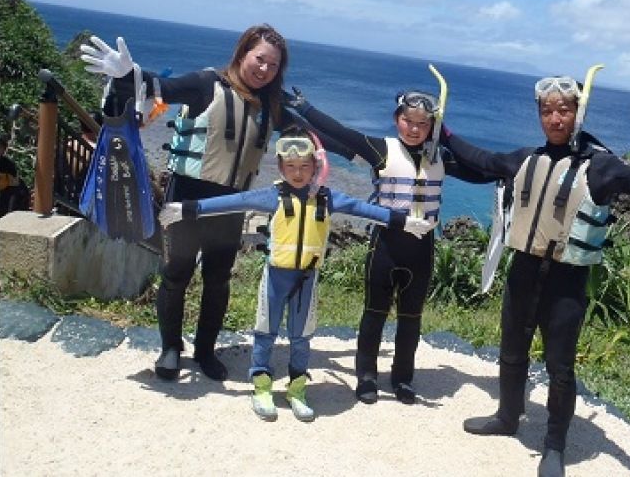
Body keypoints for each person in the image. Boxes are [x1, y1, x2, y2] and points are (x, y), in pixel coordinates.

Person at [440, 75, 630, 477]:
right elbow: (478, 158)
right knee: (511, 353)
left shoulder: (599, 168)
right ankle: (507, 417)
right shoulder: (524, 159)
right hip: (524, 271)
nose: (555, 118)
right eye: (547, 110)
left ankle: (554, 446)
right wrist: (442, 131)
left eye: (563, 109)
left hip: (566, 281)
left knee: (560, 366)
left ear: (577, 112)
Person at [158, 126, 433, 421]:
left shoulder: (328, 198)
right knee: (265, 333)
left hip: (307, 280)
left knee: (301, 337)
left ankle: (297, 389)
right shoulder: (272, 195)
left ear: (316, 167)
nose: (298, 173)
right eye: (290, 167)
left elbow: (365, 210)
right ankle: (261, 386)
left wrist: (404, 222)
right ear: (280, 167)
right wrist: (187, 209)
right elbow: (230, 202)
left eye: (304, 167)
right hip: (276, 278)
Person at [80, 25, 298, 382]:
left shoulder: (270, 105)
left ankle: (205, 350)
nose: (264, 70)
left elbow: (317, 126)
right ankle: (169, 348)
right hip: (186, 195)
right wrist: (128, 75)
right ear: (243, 53)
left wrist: (370, 151)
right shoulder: (206, 84)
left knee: (217, 279)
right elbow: (159, 87)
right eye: (260, 59)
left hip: (230, 204)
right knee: (176, 274)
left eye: (273, 66)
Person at [285, 87, 493, 405]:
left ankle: (402, 379)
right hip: (385, 245)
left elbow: (482, 170)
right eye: (408, 121)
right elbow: (340, 132)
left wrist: (449, 138)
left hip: (422, 250)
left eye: (423, 124)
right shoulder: (381, 149)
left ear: (432, 127)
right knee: (374, 314)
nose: (414, 129)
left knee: (411, 319)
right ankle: (366, 376)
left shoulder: (440, 157)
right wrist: (305, 108)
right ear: (397, 120)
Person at [0, 133, 31, 217]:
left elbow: (15, 183)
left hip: (9, 194)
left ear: (3, 150)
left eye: (0, 147)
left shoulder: (8, 164)